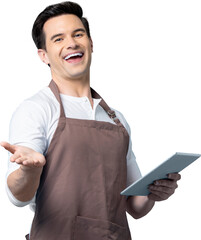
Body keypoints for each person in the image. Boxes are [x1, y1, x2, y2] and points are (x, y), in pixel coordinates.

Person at [0, 1, 181, 239]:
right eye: (58, 39)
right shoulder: (36, 109)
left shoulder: (117, 119)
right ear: (43, 55)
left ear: (91, 43)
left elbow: (135, 207)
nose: (71, 43)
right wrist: (30, 171)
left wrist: (154, 192)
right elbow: (17, 197)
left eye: (78, 34)